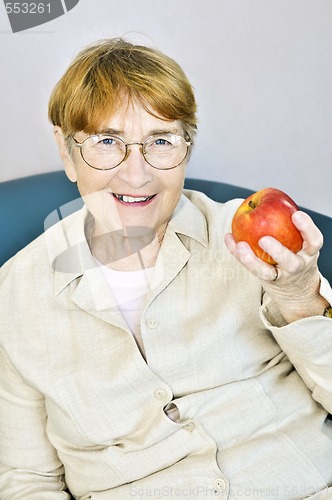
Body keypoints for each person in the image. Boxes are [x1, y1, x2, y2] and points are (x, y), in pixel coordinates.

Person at [0, 38, 331, 500]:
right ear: (65, 149)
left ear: (187, 147)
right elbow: (28, 481)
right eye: (107, 142)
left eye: (160, 141)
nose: (137, 175)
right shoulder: (14, 296)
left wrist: (300, 299)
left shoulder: (248, 241)